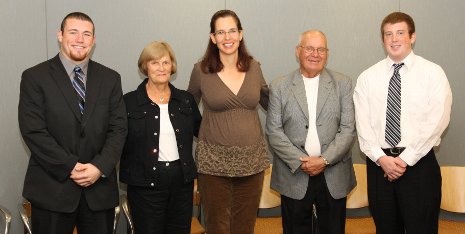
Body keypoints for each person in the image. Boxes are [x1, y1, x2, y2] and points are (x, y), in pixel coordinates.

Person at [18, 12, 127, 234]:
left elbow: (119, 129)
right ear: (60, 35)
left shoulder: (110, 78)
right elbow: (34, 131)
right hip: (52, 192)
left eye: (87, 34)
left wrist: (99, 167)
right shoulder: (35, 77)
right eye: (73, 32)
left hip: (99, 191)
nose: (80, 39)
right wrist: (69, 166)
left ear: (93, 40)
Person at [353, 12, 452, 234]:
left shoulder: (433, 73)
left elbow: (437, 120)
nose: (394, 39)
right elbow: (363, 125)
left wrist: (405, 160)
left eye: (400, 33)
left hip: (419, 164)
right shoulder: (367, 77)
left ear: (412, 36)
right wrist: (382, 159)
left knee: (422, 228)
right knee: (386, 228)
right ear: (382, 39)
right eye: (388, 34)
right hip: (380, 167)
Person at [187, 9, 269, 234]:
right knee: (217, 227)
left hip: (252, 161)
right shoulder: (201, 70)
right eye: (221, 32)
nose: (227, 37)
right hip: (213, 162)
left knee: (245, 226)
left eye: (232, 31)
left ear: (240, 34)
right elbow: (187, 108)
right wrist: (204, 133)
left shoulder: (254, 67)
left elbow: (271, 103)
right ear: (213, 38)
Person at [266, 30, 356, 234]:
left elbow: (348, 129)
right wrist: (301, 162)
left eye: (321, 49)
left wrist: (324, 160)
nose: (315, 54)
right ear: (298, 51)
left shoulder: (343, 84)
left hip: (333, 173)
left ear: (327, 53)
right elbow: (273, 131)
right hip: (295, 173)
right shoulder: (280, 86)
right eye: (309, 48)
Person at [120, 41, 201, 234]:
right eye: (154, 63)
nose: (161, 68)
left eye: (166, 62)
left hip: (181, 182)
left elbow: (204, 132)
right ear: (145, 66)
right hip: (144, 184)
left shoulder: (185, 100)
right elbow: (115, 140)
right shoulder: (129, 102)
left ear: (172, 66)